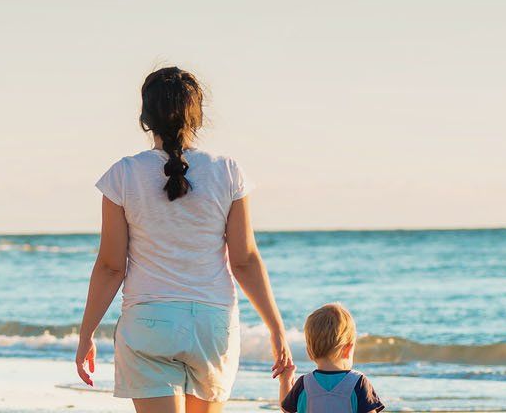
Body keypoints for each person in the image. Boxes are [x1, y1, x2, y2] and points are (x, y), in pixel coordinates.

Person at [75, 67, 295, 412]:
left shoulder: (123, 174)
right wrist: (277, 330)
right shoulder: (227, 171)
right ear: (198, 116)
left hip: (148, 322)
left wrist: (86, 333)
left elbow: (110, 266)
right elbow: (244, 260)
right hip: (213, 324)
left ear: (145, 118)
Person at [280, 304, 385, 413]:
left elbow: (286, 410)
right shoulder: (358, 383)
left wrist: (285, 381)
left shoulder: (304, 384)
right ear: (347, 349)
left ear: (309, 352)